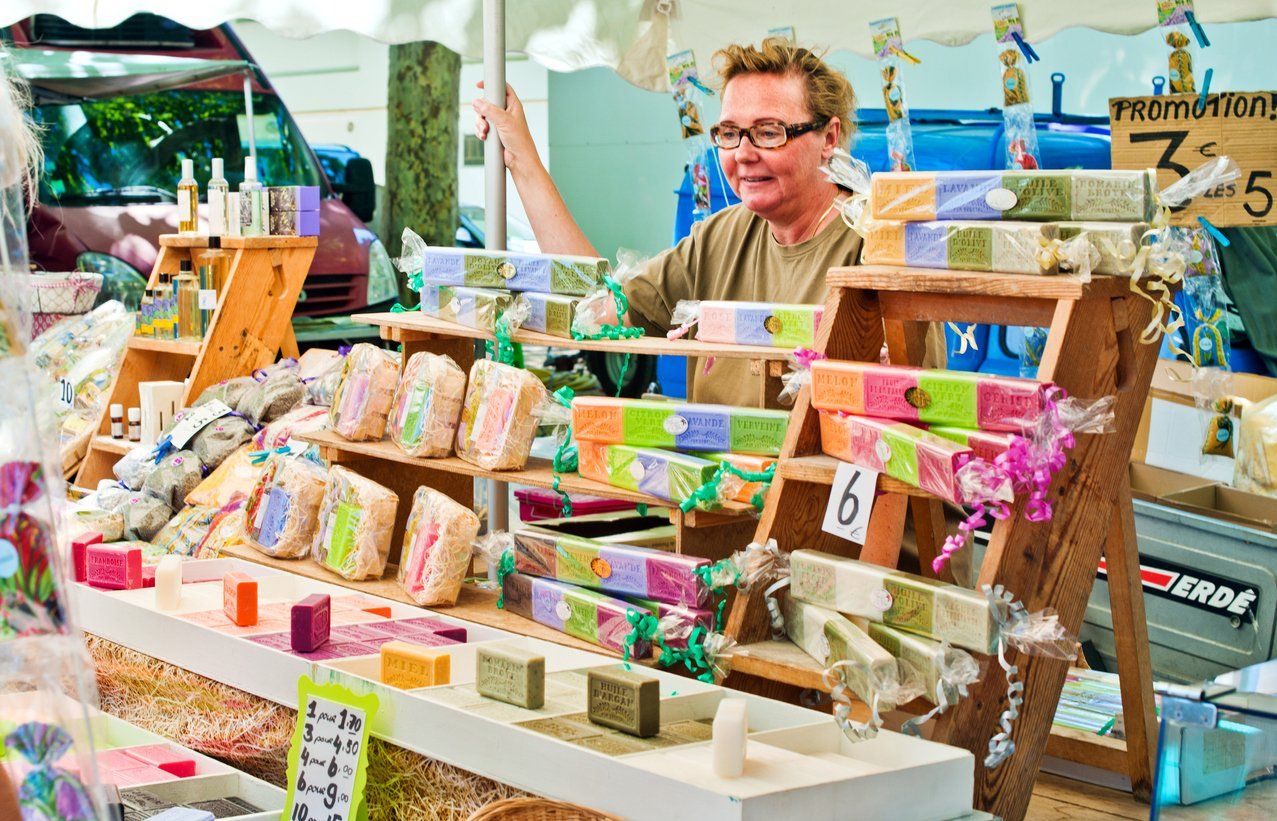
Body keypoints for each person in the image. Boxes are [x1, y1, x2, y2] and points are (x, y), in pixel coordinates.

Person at [474, 37, 862, 407]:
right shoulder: (718, 239)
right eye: (730, 133)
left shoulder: (873, 242)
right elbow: (600, 310)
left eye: (768, 132)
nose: (743, 153)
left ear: (829, 138)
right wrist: (521, 157)